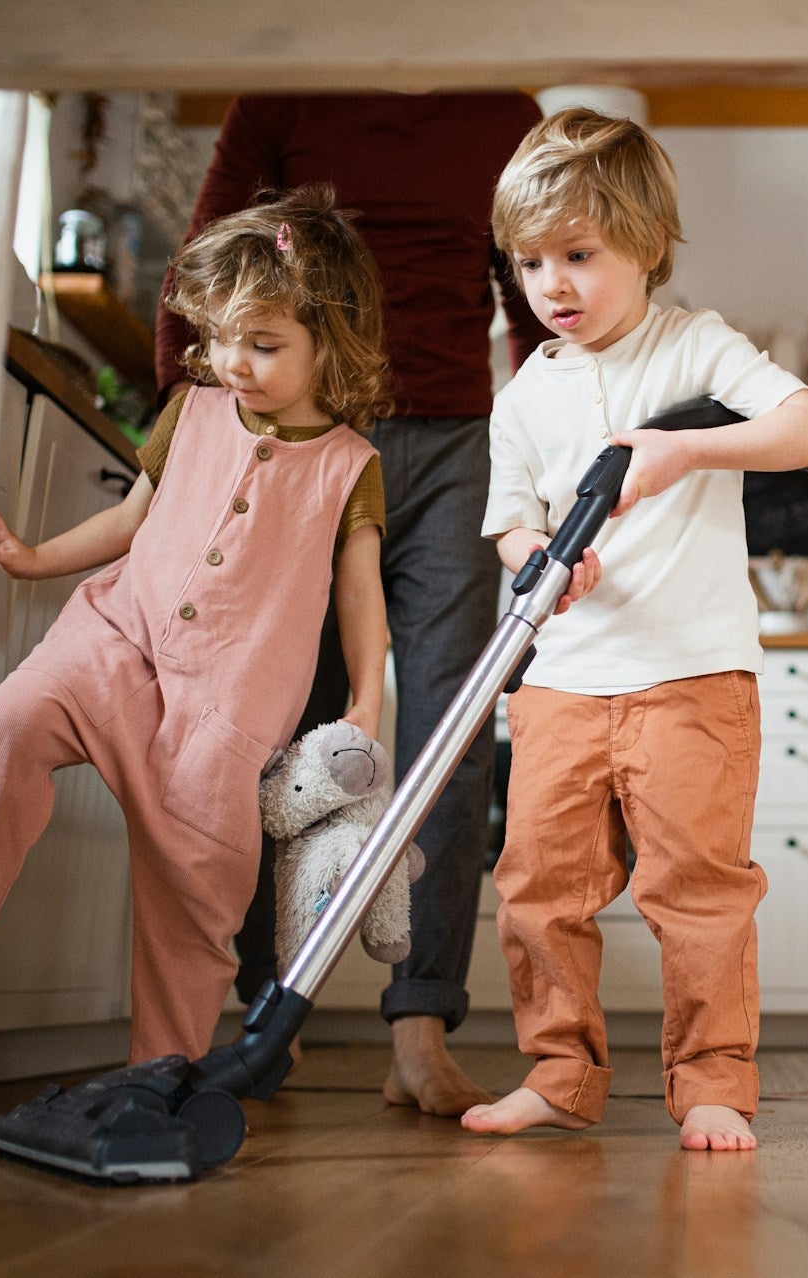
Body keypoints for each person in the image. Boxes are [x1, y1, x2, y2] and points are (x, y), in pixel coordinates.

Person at [0, 186, 391, 1066]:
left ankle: (161, 1075)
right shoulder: (192, 410)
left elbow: (360, 593)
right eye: (219, 338)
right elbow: (133, 519)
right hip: (115, 638)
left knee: (198, 890)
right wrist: (33, 555)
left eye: (264, 345)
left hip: (225, 708)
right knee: (10, 724)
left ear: (333, 342)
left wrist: (366, 699)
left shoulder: (349, 467)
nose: (233, 362)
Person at [155, 93, 552, 1115]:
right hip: (305, 435)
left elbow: (523, 296)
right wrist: (189, 437)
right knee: (275, 719)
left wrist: (542, 445)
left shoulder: (503, 111)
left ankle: (419, 1028)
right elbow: (203, 255)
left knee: (448, 728)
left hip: (463, 445)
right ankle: (262, 1015)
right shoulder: (282, 94)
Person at [459, 108, 808, 1151]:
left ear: (645, 243)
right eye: (533, 261)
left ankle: (713, 1083)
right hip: (563, 681)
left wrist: (688, 454)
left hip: (695, 678)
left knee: (698, 891)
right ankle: (558, 1071)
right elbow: (510, 526)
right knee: (539, 886)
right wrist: (542, 562)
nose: (554, 286)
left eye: (579, 255)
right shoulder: (523, 394)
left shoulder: (692, 346)